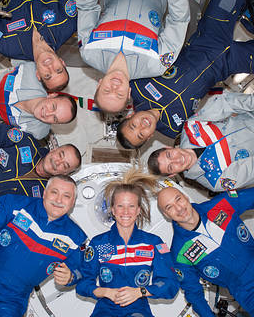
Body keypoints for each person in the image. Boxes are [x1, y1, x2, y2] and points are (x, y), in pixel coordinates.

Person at [117, 0, 254, 149]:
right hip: (231, 64)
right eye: (141, 134)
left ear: (129, 116)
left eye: (133, 125)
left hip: (209, 36)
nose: (142, 126)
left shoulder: (137, 86)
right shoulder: (176, 130)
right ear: (149, 138)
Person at [0, 175, 87, 317]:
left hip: (13, 299)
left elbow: (82, 270)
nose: (58, 200)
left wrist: (71, 277)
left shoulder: (76, 239)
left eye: (66, 196)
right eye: (54, 192)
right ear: (44, 193)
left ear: (73, 202)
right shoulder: (14, 204)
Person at [76, 168, 178, 316]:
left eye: (131, 206)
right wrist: (105, 291)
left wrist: (139, 292)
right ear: (113, 210)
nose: (125, 212)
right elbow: (83, 283)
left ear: (138, 210)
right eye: (120, 206)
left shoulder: (153, 243)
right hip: (104, 311)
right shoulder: (98, 243)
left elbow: (170, 285)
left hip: (139, 311)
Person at [77, 0, 190, 113]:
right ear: (128, 92)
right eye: (119, 94)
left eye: (106, 90)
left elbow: (86, 7)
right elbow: (179, 21)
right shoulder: (156, 64)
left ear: (99, 84)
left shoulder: (89, 51)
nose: (114, 87)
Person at [157, 186, 254, 316]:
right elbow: (193, 293)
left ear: (185, 197)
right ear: (166, 215)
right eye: (169, 207)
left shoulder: (221, 204)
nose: (179, 208)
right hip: (248, 293)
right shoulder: (180, 254)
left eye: (178, 199)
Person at [0, 0, 77, 91]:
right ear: (62, 62)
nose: (50, 67)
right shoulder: (67, 25)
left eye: (47, 75)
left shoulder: (8, 46)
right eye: (58, 70)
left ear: (38, 74)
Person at [147, 91, 254, 192]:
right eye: (171, 167)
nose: (176, 160)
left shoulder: (191, 127)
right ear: (172, 174)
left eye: (169, 155)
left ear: (169, 148)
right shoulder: (214, 180)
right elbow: (250, 170)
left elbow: (224, 102)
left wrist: (251, 102)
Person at [0, 62, 77, 140]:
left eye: (54, 119)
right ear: (52, 95)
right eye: (53, 107)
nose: (47, 114)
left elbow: (7, 138)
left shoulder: (38, 131)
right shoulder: (32, 73)